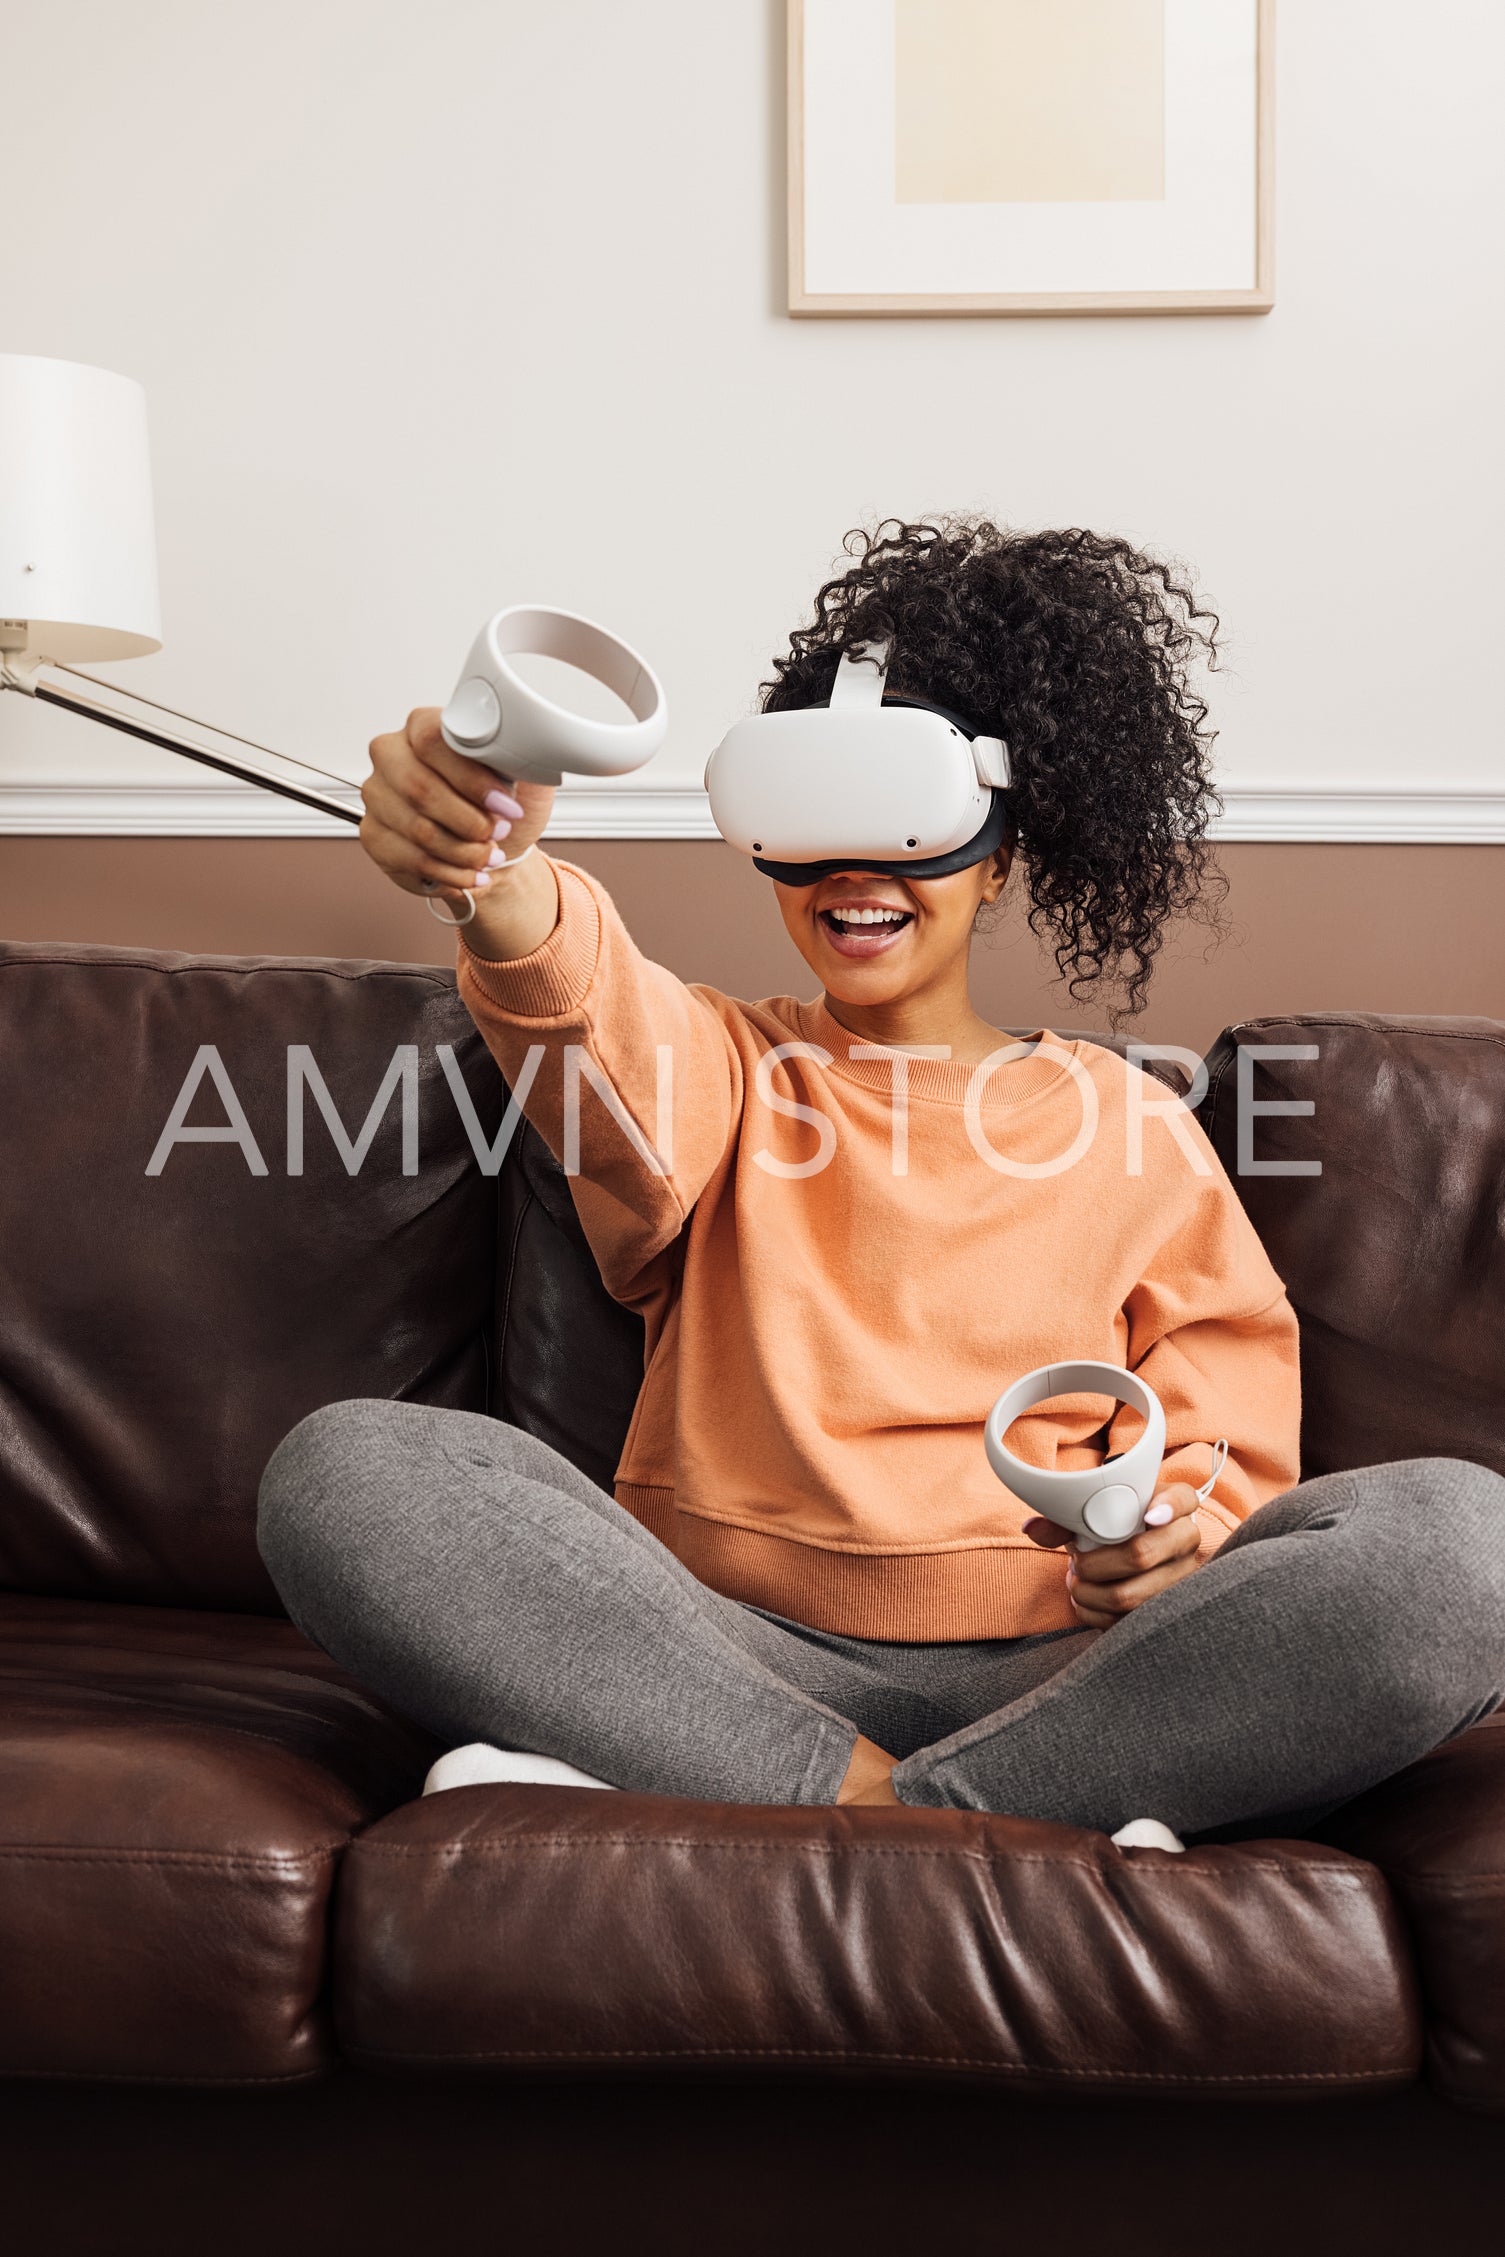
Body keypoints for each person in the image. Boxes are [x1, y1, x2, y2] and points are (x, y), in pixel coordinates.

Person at [258, 519, 1505, 1842]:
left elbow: (1222, 1468)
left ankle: (784, 1792)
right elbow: (572, 997)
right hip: (716, 1651)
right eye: (812, 825)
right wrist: (486, 863)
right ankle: (957, 1815)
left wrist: (1168, 1549)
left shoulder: (1130, 1123)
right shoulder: (723, 1070)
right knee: (343, 1472)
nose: (856, 871)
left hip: (1070, 1679)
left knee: (1463, 1543)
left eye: (907, 823)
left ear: (1005, 855)